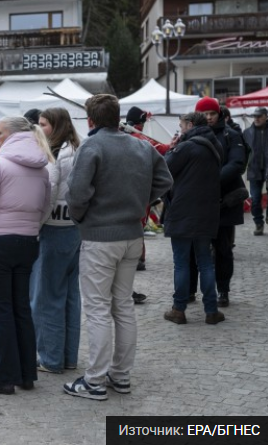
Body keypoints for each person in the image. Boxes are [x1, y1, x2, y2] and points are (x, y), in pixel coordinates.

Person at [64, 94, 172, 401]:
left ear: (90, 120)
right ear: (117, 117)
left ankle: (95, 381)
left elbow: (77, 193)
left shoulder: (92, 146)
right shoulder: (140, 145)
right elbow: (165, 179)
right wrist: (139, 201)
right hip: (132, 235)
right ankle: (120, 375)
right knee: (122, 306)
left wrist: (81, 217)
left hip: (100, 237)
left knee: (98, 309)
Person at [0, 116, 53, 395]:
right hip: (28, 242)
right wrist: (29, 227)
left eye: (0, 133)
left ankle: (3, 377)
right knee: (21, 308)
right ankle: (26, 374)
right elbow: (45, 207)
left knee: (2, 311)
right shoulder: (41, 168)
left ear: (13, 135)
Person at [162, 112, 226, 325]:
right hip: (207, 211)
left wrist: (172, 148)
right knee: (205, 262)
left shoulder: (187, 147)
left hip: (183, 211)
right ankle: (211, 311)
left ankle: (178, 309)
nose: (180, 130)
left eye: (181, 126)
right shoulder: (215, 145)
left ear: (190, 125)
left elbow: (165, 168)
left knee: (181, 263)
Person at [31, 108, 82, 374]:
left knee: (47, 297)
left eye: (43, 124)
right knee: (70, 296)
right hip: (74, 228)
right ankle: (68, 356)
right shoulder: (77, 148)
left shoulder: (56, 153)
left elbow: (49, 193)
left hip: (54, 228)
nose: (39, 128)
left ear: (56, 125)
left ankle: (50, 358)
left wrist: (36, 226)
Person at [195, 96, 248, 308]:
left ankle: (223, 289)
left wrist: (212, 181)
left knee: (223, 249)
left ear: (219, 114)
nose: (209, 117)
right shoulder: (191, 135)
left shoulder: (231, 135)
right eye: (205, 114)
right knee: (194, 250)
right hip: (199, 201)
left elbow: (237, 163)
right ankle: (190, 290)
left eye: (212, 114)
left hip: (224, 201)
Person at [124, 106, 169, 293]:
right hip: (140, 190)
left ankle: (136, 258)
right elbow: (162, 150)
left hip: (129, 190)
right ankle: (137, 258)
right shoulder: (140, 139)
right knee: (138, 226)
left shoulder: (127, 136)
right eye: (142, 122)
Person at [244, 107, 268, 236]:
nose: (256, 118)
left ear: (265, 116)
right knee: (255, 199)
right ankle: (258, 223)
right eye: (255, 116)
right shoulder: (247, 132)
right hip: (254, 169)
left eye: (259, 116)